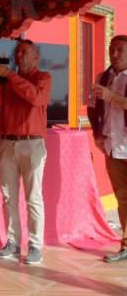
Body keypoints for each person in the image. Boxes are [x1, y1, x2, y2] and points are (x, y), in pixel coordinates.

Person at [0, 39, 51, 265]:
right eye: (17, 52)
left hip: (32, 144)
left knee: (33, 197)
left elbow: (36, 97)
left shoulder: (43, 77)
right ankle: (12, 243)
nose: (19, 55)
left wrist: (11, 76)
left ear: (36, 58)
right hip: (7, 142)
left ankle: (35, 245)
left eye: (25, 52)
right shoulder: (10, 81)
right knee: (8, 197)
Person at [89, 34, 127, 262]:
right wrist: (97, 134)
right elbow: (93, 108)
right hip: (113, 147)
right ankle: (125, 244)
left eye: (120, 49)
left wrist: (113, 96)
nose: (114, 54)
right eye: (111, 50)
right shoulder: (102, 77)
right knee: (122, 198)